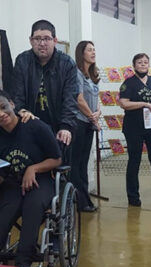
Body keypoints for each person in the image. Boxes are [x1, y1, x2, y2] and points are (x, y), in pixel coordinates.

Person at [0, 90, 61, 267]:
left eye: (3, 107)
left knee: (32, 207)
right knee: (7, 209)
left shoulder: (34, 126)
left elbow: (57, 159)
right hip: (12, 181)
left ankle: (23, 263)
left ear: (12, 103)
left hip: (41, 179)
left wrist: (33, 168)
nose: (1, 114)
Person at [12, 19, 78, 150]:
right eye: (37, 39)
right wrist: (21, 111)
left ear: (55, 40)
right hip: (29, 123)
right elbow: (17, 93)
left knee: (60, 163)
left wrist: (65, 126)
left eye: (47, 38)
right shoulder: (22, 60)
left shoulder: (67, 63)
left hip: (58, 125)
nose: (42, 43)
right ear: (31, 40)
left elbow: (70, 98)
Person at [118, 53, 151, 207]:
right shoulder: (128, 83)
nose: (143, 65)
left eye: (146, 62)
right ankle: (133, 197)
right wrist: (144, 104)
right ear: (134, 66)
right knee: (134, 160)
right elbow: (124, 104)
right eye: (140, 62)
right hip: (134, 127)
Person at [70, 41, 101, 212]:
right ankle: (80, 201)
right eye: (89, 50)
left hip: (90, 122)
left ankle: (84, 199)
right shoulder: (77, 74)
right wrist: (92, 117)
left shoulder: (92, 74)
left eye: (94, 49)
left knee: (83, 163)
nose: (93, 52)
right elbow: (79, 99)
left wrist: (98, 113)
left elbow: (96, 99)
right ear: (81, 53)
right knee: (76, 164)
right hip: (79, 123)